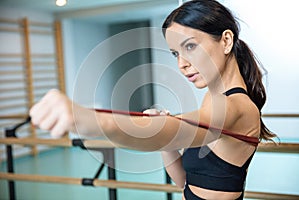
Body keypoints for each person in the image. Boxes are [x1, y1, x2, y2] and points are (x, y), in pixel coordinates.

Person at [29, 0, 276, 199]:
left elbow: (166, 131)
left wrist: (89, 120)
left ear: (226, 40)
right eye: (175, 53)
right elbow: (186, 182)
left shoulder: (236, 106)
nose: (182, 64)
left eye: (190, 47)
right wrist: (167, 141)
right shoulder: (212, 101)